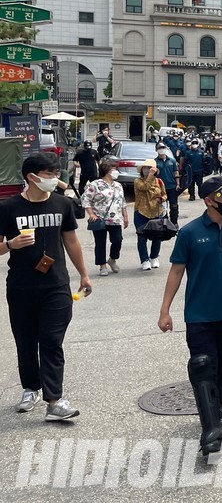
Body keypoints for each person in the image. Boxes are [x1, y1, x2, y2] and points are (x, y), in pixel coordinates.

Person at [158, 176, 222, 456]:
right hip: (200, 313)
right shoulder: (189, 233)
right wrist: (165, 310)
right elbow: (176, 271)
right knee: (202, 365)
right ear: (209, 200)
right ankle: (211, 429)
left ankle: (217, 405)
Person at [0, 152, 92, 421]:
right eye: (50, 175)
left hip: (56, 285)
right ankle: (31, 388)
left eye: (55, 174)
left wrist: (84, 275)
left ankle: (55, 400)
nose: (55, 179)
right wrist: (10, 245)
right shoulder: (8, 208)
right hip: (21, 287)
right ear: (32, 177)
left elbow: (71, 241)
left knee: (51, 341)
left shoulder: (62, 204)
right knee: (26, 342)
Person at [81, 160, 129, 276]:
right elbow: (86, 199)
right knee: (100, 242)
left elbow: (122, 201)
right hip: (99, 218)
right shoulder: (95, 184)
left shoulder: (118, 185)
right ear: (107, 171)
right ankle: (102, 265)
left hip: (115, 219)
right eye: (113, 169)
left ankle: (112, 259)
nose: (116, 171)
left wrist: (125, 216)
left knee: (117, 240)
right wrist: (91, 214)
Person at [133, 159, 167, 271]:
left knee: (157, 236)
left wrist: (162, 199)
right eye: (145, 168)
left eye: (150, 168)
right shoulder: (138, 181)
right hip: (141, 212)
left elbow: (164, 194)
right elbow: (145, 187)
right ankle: (144, 260)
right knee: (142, 238)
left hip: (156, 212)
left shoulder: (159, 181)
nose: (147, 170)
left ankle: (154, 257)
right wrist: (151, 176)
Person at [155, 144, 181, 225]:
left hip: (172, 186)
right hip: (160, 188)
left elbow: (176, 172)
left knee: (174, 206)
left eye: (163, 148)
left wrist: (178, 184)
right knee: (162, 207)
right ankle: (164, 223)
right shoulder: (155, 162)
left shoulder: (172, 161)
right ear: (156, 150)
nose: (161, 150)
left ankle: (174, 223)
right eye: (159, 148)